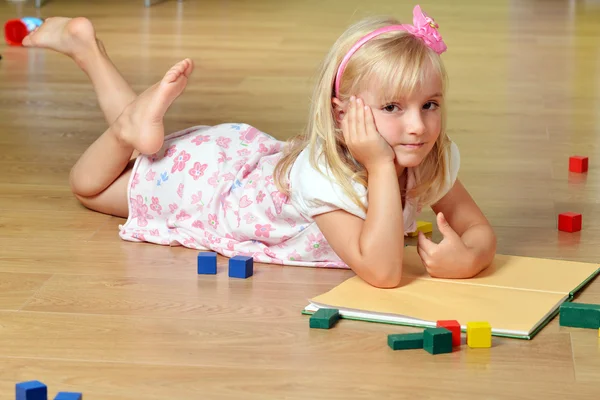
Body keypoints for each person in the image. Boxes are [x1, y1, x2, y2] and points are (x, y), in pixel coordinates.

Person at [22, 5, 496, 288]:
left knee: (136, 152)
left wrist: (472, 256)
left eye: (430, 104)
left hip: (244, 162)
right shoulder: (325, 176)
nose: (417, 126)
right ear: (340, 113)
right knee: (87, 186)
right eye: (392, 108)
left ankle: (89, 51)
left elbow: (477, 227)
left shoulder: (431, 155)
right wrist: (377, 164)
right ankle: (122, 118)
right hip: (209, 189)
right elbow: (383, 272)